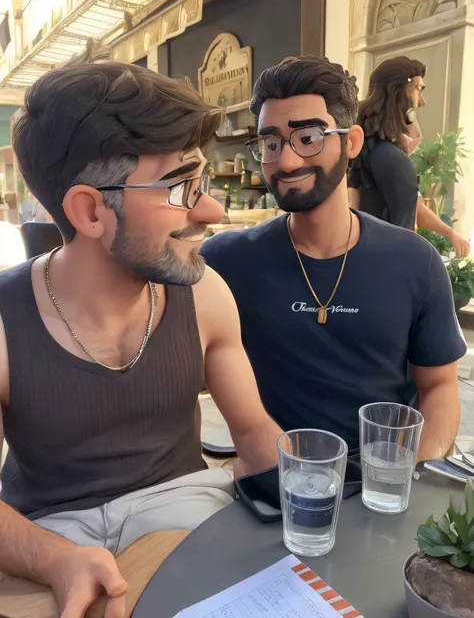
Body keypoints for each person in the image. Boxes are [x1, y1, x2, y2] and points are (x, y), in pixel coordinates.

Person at [0, 62, 283, 617]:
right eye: (181, 186)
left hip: (186, 511)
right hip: (45, 533)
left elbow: (252, 432)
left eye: (201, 182)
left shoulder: (205, 294)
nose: (211, 209)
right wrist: (57, 559)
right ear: (90, 210)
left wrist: (308, 483)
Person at [201, 55, 466, 466]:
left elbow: (440, 388)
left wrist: (414, 469)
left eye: (308, 138)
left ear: (352, 142)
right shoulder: (228, 261)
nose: (286, 161)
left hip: (384, 477)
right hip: (278, 481)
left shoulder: (415, 262)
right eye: (270, 143)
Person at [349, 56, 470, 258]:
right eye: (418, 89)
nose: (422, 102)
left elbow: (411, 205)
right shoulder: (388, 156)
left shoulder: (373, 149)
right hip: (385, 263)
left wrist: (450, 233)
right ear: (398, 89)